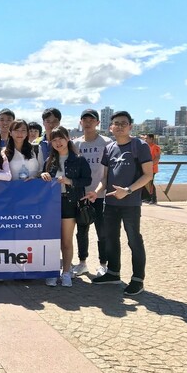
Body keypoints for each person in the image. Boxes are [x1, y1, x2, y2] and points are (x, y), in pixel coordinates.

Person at [89, 111, 152, 296]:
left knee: (134, 240)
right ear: (111, 127)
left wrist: (129, 191)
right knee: (110, 239)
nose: (120, 126)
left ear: (130, 126)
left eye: (124, 123)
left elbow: (148, 175)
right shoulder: (109, 148)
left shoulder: (139, 146)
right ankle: (113, 273)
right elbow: (105, 177)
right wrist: (97, 191)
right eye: (116, 123)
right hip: (110, 203)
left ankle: (138, 279)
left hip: (131, 204)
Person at [40, 126, 91, 287]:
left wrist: (70, 181)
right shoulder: (50, 161)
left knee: (66, 240)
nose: (57, 142)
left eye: (60, 138)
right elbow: (42, 181)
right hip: (51, 204)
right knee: (53, 240)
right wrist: (43, 175)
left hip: (69, 202)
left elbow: (87, 180)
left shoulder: (79, 159)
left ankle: (66, 272)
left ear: (67, 138)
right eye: (54, 140)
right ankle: (53, 271)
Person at [72, 109, 112, 277]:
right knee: (81, 231)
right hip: (82, 194)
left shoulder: (107, 142)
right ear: (80, 122)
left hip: (100, 194)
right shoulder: (76, 144)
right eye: (84, 119)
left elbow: (108, 173)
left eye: (91, 119)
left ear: (97, 123)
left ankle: (103, 264)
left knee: (102, 231)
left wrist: (97, 191)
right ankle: (82, 263)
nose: (88, 122)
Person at [142, 134, 161, 204]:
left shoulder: (155, 147)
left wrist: (149, 165)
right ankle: (147, 198)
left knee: (150, 184)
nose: (145, 140)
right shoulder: (146, 147)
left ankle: (154, 199)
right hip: (145, 168)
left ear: (151, 139)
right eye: (144, 138)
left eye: (146, 138)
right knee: (145, 183)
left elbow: (157, 158)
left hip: (152, 168)